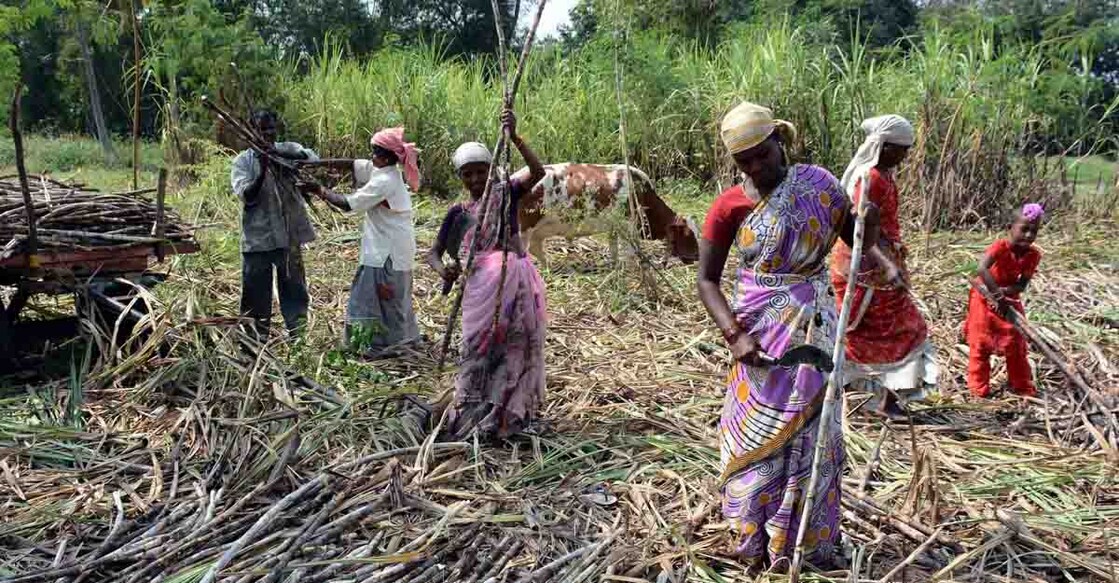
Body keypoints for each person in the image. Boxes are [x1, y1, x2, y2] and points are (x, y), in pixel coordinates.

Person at [697, 102, 901, 570]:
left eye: (761, 154)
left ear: (779, 142)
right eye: (743, 160)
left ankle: (804, 541)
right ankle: (751, 536)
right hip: (757, 333)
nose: (755, 166)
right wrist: (734, 336)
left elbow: (860, 241)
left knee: (813, 432)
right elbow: (707, 280)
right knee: (751, 436)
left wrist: (867, 224)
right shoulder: (729, 205)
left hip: (813, 326)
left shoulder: (822, 187)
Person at [427, 110, 547, 439]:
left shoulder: (505, 193)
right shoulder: (459, 214)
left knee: (515, 345)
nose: (477, 179)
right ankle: (473, 411)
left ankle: (508, 416)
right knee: (478, 350)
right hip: (479, 291)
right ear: (460, 177)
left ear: (491, 169)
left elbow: (538, 172)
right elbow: (434, 254)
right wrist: (446, 271)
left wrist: (516, 138)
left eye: (482, 171)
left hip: (513, 284)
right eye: (469, 174)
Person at [830, 115, 938, 421]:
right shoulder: (870, 179)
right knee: (879, 331)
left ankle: (871, 398)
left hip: (879, 268)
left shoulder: (883, 176)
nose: (906, 156)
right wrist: (888, 265)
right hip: (864, 270)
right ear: (885, 147)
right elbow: (859, 231)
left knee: (873, 333)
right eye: (902, 149)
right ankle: (862, 397)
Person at [304, 127, 422, 356]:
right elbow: (352, 163)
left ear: (387, 157)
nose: (371, 157)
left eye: (375, 153)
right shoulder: (382, 170)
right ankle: (394, 342)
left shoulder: (385, 180)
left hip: (386, 251)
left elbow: (349, 204)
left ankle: (380, 346)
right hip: (389, 246)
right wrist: (316, 164)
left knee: (379, 298)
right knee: (391, 299)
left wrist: (319, 189)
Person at [230, 110, 318, 338]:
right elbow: (247, 195)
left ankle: (297, 338)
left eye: (270, 129)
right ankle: (254, 342)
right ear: (251, 132)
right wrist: (262, 168)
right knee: (255, 295)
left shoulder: (287, 149)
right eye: (262, 130)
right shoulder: (243, 162)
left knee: (295, 291)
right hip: (258, 240)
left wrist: (278, 153)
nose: (267, 134)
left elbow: (313, 160)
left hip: (289, 235)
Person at [963, 204, 1044, 398]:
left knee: (1016, 343)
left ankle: (1022, 386)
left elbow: (1021, 285)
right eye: (1024, 229)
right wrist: (995, 294)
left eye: (1034, 231)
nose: (1028, 235)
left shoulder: (1033, 255)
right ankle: (978, 389)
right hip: (984, 299)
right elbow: (982, 269)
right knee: (981, 343)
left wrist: (1004, 294)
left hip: (1008, 300)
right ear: (1010, 227)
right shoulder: (1000, 247)